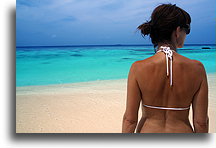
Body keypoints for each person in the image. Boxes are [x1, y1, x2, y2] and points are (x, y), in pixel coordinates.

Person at [122, 3, 209, 133]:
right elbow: (201, 122)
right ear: (177, 31)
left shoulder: (138, 68)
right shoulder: (197, 69)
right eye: (187, 30)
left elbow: (130, 120)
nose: (186, 35)